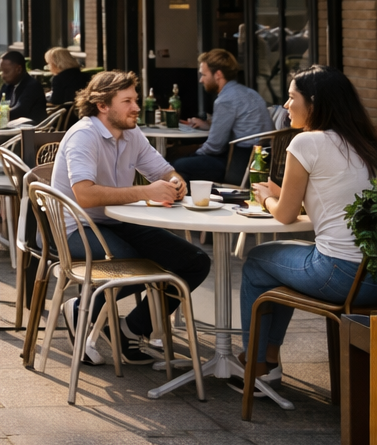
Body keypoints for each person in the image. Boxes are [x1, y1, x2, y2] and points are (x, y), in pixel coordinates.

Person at [50, 70, 210, 364]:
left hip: (116, 222)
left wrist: (175, 182)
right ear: (103, 105)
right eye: (127, 101)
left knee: (194, 263)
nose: (137, 107)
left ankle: (130, 328)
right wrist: (144, 191)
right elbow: (84, 195)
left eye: (135, 99)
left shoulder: (131, 133)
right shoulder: (84, 135)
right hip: (76, 226)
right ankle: (80, 308)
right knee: (138, 264)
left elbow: (163, 170)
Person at [241, 66, 377, 382]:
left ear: (313, 102)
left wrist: (265, 197)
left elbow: (286, 215)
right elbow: (336, 198)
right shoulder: (364, 142)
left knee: (258, 261)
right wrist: (282, 193)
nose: (286, 106)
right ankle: (269, 360)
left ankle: (257, 363)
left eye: (291, 98)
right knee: (283, 263)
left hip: (340, 275)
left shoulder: (306, 142)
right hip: (372, 275)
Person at [177, 49, 273, 185]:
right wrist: (208, 125)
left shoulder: (225, 100)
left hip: (239, 166)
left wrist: (192, 154)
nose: (201, 80)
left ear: (218, 74)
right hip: (261, 161)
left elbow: (214, 146)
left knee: (176, 166)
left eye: (204, 75)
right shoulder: (250, 93)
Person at [0, 50, 46, 123]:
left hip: (32, 130)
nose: (3, 76)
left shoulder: (32, 86)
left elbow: (20, 110)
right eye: (1, 71)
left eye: (6, 71)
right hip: (11, 128)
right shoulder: (7, 86)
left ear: (18, 69)